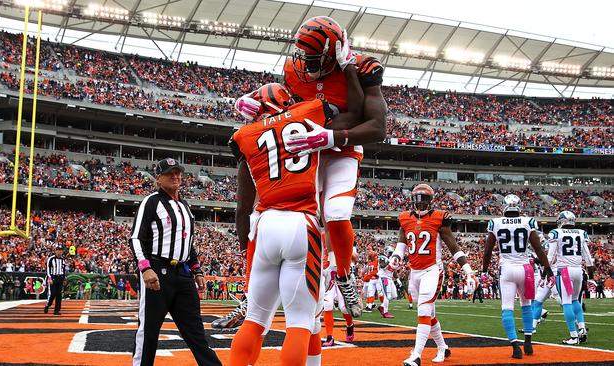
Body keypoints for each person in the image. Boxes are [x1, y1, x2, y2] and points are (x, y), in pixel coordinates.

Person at [220, 15, 388, 328]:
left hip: (341, 148)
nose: (305, 65)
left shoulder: (364, 69)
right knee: (262, 216)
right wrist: (257, 98)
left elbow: (374, 125)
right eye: (303, 57)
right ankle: (249, 295)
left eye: (314, 59)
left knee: (336, 212)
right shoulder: (293, 71)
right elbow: (285, 108)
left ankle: (343, 276)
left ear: (335, 52)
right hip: (306, 151)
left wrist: (331, 135)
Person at [229, 66, 365, 365]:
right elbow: (354, 112)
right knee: (300, 322)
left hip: (264, 225)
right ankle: (344, 276)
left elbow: (242, 208)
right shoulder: (308, 112)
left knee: (254, 319)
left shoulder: (244, 134)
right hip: (300, 222)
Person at [129, 158, 221, 366]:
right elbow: (136, 237)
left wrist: (197, 270)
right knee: (148, 330)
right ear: (158, 178)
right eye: (170, 173)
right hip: (157, 272)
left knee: (196, 331)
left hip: (183, 273)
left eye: (178, 172)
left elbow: (187, 242)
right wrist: (145, 268)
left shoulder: (185, 205)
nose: (175, 176)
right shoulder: (151, 201)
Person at [391, 184, 474, 365]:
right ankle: (443, 347)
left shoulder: (438, 218)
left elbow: (453, 246)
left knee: (423, 310)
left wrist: (467, 270)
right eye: (417, 199)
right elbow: (401, 243)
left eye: (424, 199)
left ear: (430, 200)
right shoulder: (404, 218)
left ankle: (416, 355)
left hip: (432, 270)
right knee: (429, 314)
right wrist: (396, 256)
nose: (420, 204)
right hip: (414, 272)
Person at [482, 194, 553, 359]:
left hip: (506, 269)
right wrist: (547, 267)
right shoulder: (528, 221)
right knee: (526, 305)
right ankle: (528, 342)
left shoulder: (496, 222)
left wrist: (484, 270)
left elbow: (487, 252)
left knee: (507, 307)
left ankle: (515, 346)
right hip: (525, 268)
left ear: (504, 206)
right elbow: (538, 248)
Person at [546, 210, 595, 344]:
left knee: (566, 302)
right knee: (575, 301)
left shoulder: (556, 233)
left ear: (561, 220)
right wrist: (591, 276)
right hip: (578, 270)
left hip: (564, 271)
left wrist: (547, 271)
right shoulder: (581, 233)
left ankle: (574, 336)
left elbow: (550, 256)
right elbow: (589, 258)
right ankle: (582, 328)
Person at [44, 246, 66, 315]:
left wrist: (64, 278)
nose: (60, 252)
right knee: (52, 294)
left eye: (61, 250)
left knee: (59, 295)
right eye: (58, 250)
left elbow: (63, 270)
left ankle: (57, 310)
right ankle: (48, 305)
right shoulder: (51, 259)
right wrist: (49, 278)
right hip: (53, 277)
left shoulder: (63, 260)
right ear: (55, 251)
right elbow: (48, 269)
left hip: (60, 277)